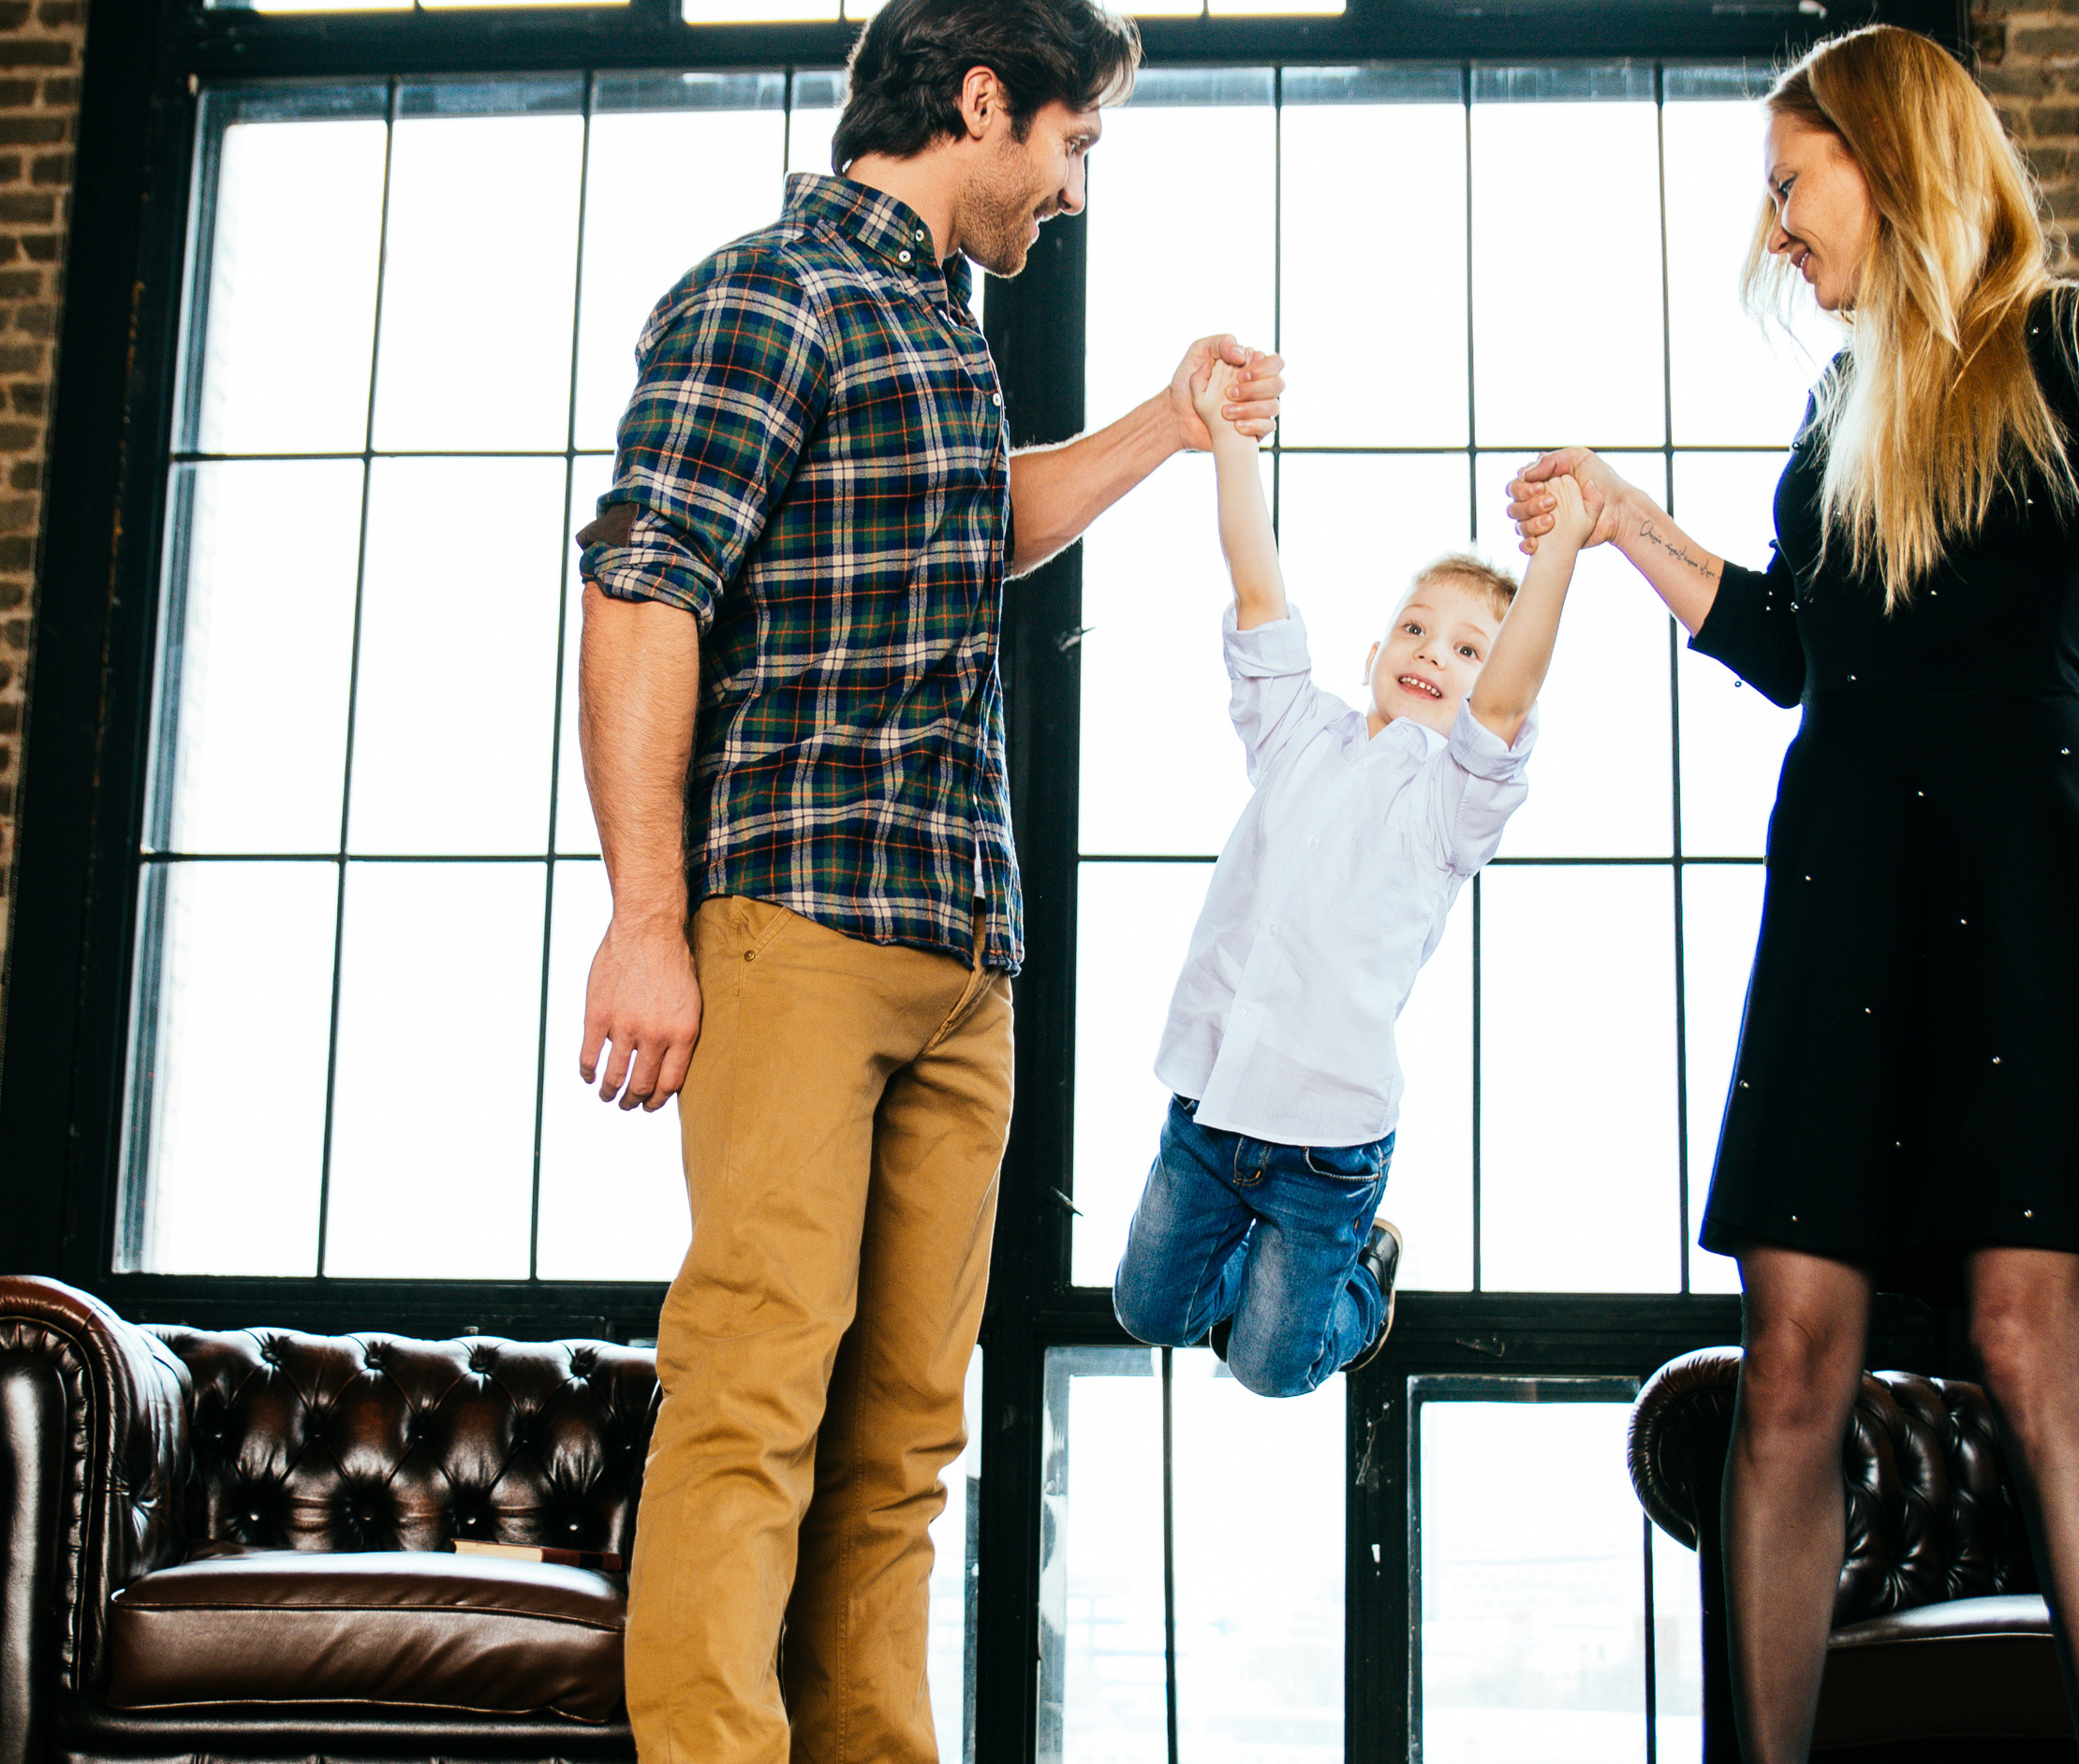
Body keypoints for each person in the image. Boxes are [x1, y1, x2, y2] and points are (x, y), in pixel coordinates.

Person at [1506, 24, 2079, 1764]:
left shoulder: (2073, 345)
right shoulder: (1838, 404)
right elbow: (1793, 645)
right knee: (1788, 1351)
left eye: (1788, 183)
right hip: (1843, 882)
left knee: (2023, 1334)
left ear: (1886, 158)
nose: (1774, 230)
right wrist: (1615, 516)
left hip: (2020, 879)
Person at [565, 0, 1285, 1757]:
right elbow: (640, 585)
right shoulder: (768, 294)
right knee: (753, 1392)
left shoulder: (942, 334)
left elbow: (984, 523)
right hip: (793, 924)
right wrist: (644, 917)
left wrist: (1165, 425)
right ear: (981, 101)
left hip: (962, 949)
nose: (1073, 191)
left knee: (901, 1437)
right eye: (1069, 145)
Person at [1105, 362, 1586, 1397]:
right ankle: (1265, 1267)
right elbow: (1259, 589)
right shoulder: (1299, 734)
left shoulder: (1450, 804)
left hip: (1327, 1143)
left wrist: (1553, 561)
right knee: (1147, 1309)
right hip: (1213, 1104)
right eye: (1415, 629)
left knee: (1272, 1370)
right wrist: (1233, 439)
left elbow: (1506, 704)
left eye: (1467, 649)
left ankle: (1358, 1278)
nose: (1431, 652)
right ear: (1376, 648)